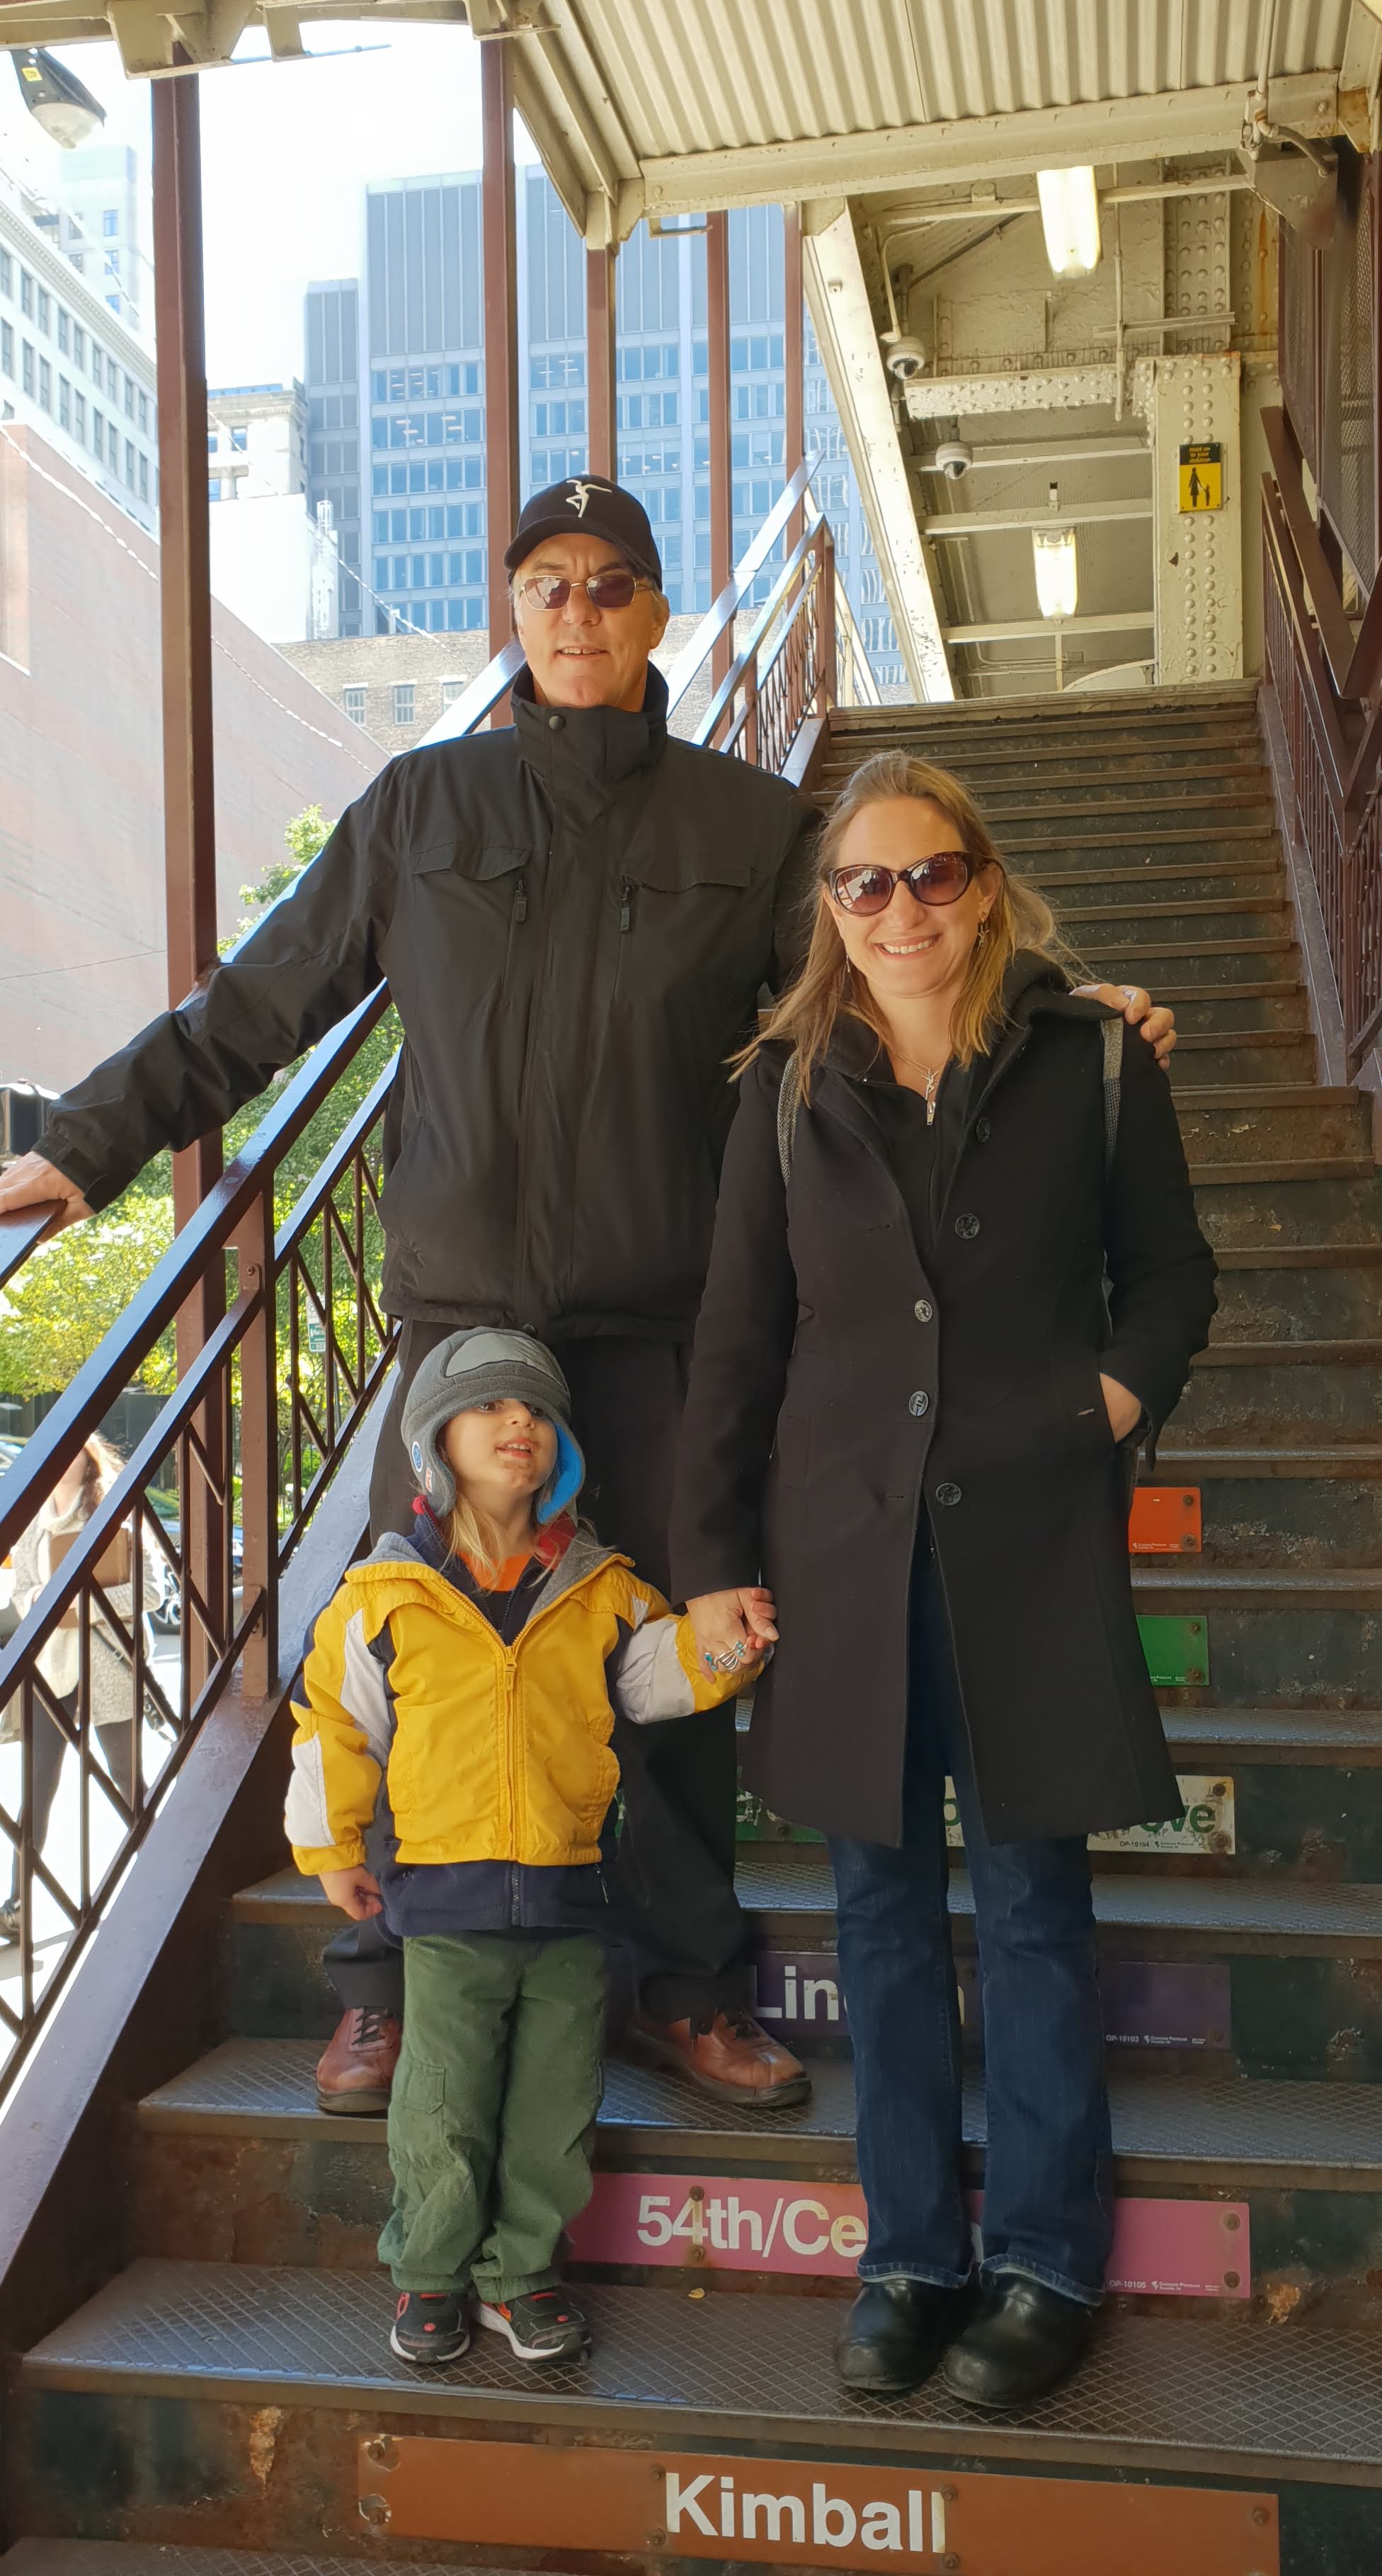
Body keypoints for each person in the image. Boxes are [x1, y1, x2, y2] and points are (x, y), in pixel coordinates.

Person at [0, 471, 1177, 2117]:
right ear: (513, 608)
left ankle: (684, 1989)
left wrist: (1062, 1014)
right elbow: (250, 1010)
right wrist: (84, 1146)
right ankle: (391, 1983)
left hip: (670, 1327)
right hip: (465, 1333)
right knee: (417, 1654)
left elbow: (887, 965)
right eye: (546, 583)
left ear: (652, 613)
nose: (576, 610)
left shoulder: (748, 830)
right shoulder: (420, 810)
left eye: (609, 583)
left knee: (681, 1662)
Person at [672, 751, 1216, 2414]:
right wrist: (709, 1565)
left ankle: (1046, 2263)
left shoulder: (1090, 1060)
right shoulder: (782, 1090)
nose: (897, 908)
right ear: (828, 908)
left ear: (981, 884)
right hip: (841, 1553)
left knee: (1036, 1914)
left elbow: (1169, 1278)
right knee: (881, 1918)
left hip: (1028, 1542)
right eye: (864, 882)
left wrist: (1102, 1405)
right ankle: (908, 2257)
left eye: (929, 874)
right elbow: (735, 1343)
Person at [286, 1328, 764, 2367]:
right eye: (491, 1406)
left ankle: (522, 2276)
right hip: (444, 1903)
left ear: (565, 1452)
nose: (520, 1423)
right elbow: (335, 1727)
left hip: (570, 1897)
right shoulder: (383, 1594)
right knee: (443, 2104)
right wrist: (330, 1847)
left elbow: (658, 1678)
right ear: (433, 1444)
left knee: (555, 2106)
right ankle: (429, 2273)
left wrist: (727, 1646)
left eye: (539, 1412)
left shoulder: (604, 1588)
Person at [1, 1432, 159, 1940]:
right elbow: (22, 1592)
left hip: (110, 1666)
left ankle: (158, 1883)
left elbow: (153, 1591)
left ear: (89, 1460)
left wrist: (85, 1605)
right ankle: (18, 1906)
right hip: (52, 1670)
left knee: (126, 1780)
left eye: (72, 1452)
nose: (62, 1461)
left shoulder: (115, 1512)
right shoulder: (33, 1523)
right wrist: (43, 1602)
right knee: (37, 1790)